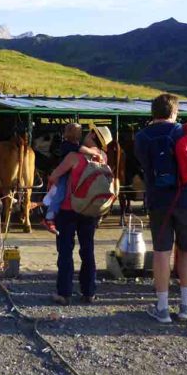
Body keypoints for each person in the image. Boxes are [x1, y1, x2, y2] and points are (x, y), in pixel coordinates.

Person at [135, 93, 187, 323]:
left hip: (159, 200)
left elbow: (144, 166)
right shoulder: (184, 132)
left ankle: (162, 308)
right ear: (174, 112)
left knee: (162, 252)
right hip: (186, 198)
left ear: (153, 112)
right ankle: (185, 304)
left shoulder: (142, 137)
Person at [47, 127, 113, 305]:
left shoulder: (73, 157)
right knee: (88, 250)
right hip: (90, 210)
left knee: (66, 251)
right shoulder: (103, 158)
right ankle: (89, 292)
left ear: (92, 135)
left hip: (69, 209)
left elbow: (54, 176)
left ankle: (64, 293)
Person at [41, 123, 102, 234]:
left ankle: (49, 217)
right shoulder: (68, 145)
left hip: (66, 177)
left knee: (59, 194)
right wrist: (94, 152)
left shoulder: (72, 147)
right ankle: (49, 218)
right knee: (59, 194)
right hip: (67, 178)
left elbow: (80, 148)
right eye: (79, 132)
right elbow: (81, 149)